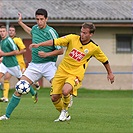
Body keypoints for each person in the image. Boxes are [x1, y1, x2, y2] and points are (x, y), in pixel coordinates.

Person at [29, 22, 115, 122]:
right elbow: (55, 41)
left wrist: (110, 73)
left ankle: (64, 110)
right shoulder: (72, 38)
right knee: (54, 98)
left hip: (75, 74)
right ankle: (66, 114)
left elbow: (104, 60)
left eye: (85, 33)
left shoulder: (94, 48)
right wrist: (39, 44)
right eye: (81, 32)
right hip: (62, 71)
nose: (82, 34)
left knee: (65, 91)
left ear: (91, 34)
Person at [0, 8, 63, 120]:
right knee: (19, 87)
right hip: (34, 65)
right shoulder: (35, 28)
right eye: (37, 19)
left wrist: (47, 54)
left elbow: (60, 50)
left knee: (58, 90)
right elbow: (30, 31)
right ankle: (7, 116)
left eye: (41, 19)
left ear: (46, 19)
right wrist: (20, 23)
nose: (39, 22)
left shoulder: (51, 32)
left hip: (49, 65)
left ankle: (64, 112)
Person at [0, 25, 39, 103]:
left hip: (13, 65)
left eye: (3, 31)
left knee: (22, 81)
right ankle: (4, 97)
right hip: (4, 64)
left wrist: (4, 54)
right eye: (0, 31)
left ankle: (33, 93)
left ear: (6, 32)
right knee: (4, 78)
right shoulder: (2, 41)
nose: (2, 33)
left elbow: (16, 51)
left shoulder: (9, 40)